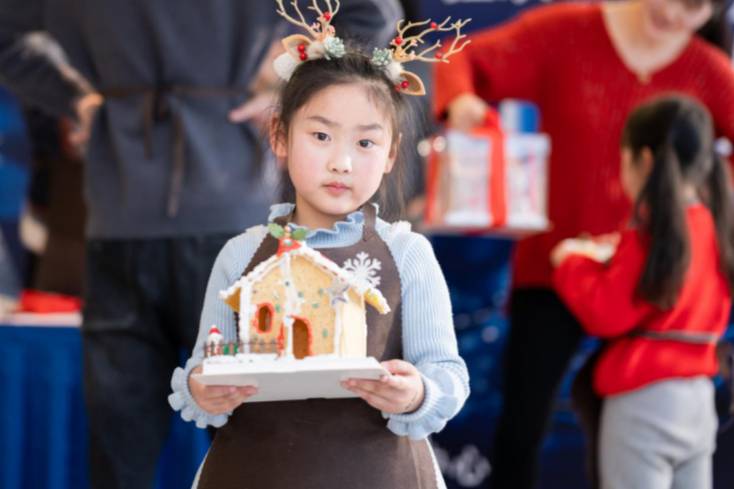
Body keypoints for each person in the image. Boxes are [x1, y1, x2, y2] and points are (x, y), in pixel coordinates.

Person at [0, 1, 402, 488]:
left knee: (123, 445)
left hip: (123, 210)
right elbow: (374, 12)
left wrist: (72, 98)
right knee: (259, 437)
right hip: (224, 210)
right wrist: (290, 91)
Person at [433, 1, 734, 487]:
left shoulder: (711, 70)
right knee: (523, 423)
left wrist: (704, 200)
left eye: (695, 6)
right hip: (554, 271)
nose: (675, 13)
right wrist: (464, 104)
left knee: (645, 429)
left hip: (654, 275)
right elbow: (459, 57)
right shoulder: (567, 30)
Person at [168, 7, 470, 488]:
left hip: (380, 473)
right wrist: (204, 392)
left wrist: (415, 393)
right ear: (280, 136)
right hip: (252, 472)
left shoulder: (407, 253)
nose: (342, 162)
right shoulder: (241, 255)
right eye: (321, 135)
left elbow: (447, 374)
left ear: (392, 154)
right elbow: (205, 366)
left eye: (366, 143)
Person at [551, 94, 734, 489]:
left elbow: (607, 311)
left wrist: (570, 262)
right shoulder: (717, 226)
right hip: (699, 398)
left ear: (645, 160)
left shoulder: (653, 233)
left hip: (643, 402)